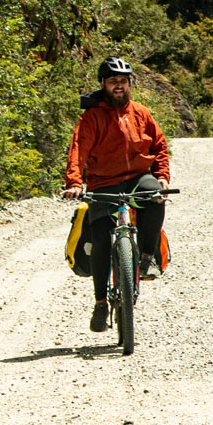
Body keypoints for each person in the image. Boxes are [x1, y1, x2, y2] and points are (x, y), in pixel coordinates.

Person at [61, 57, 171, 333]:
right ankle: (100, 303)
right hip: (103, 182)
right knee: (100, 236)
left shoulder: (141, 113)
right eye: (113, 82)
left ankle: (146, 259)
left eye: (123, 81)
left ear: (129, 84)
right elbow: (78, 151)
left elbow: (159, 146)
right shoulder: (92, 117)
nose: (118, 86)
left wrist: (161, 176)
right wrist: (74, 182)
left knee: (156, 197)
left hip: (137, 178)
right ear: (103, 85)